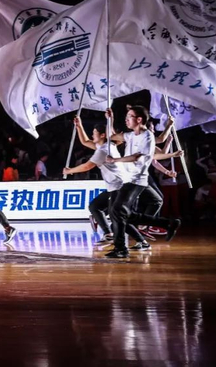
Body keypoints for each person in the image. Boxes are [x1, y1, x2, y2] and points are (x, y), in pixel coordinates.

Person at [63, 118, 169, 249]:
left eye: (94, 133)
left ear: (102, 135)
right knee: (95, 206)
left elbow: (87, 166)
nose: (92, 135)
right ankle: (110, 234)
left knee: (117, 216)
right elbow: (85, 141)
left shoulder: (103, 150)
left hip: (119, 187)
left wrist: (69, 171)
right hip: (114, 186)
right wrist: (79, 126)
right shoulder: (104, 146)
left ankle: (140, 240)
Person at [105, 107, 182, 258]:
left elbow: (136, 156)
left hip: (136, 179)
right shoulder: (130, 135)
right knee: (120, 212)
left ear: (139, 119)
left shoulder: (147, 136)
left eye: (129, 116)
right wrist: (110, 119)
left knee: (117, 211)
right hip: (127, 178)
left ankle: (121, 249)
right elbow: (111, 136)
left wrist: (115, 160)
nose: (126, 119)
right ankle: (167, 223)